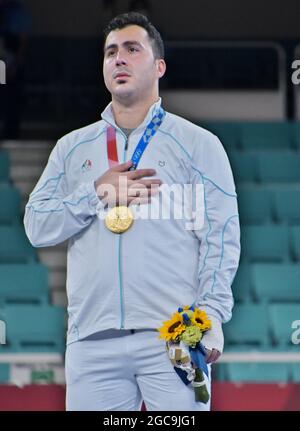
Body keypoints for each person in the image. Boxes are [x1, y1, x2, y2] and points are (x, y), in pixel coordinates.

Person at [24, 12, 240, 411]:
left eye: (131, 49)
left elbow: (220, 235)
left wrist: (211, 317)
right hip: (91, 340)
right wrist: (96, 193)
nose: (118, 59)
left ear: (159, 66)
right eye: (110, 52)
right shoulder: (71, 149)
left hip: (176, 334)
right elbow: (37, 225)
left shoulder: (198, 145)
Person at [0, 0, 31, 139]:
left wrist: (15, 63)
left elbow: (23, 40)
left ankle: (11, 133)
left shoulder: (18, 12)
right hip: (2, 62)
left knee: (11, 96)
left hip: (13, 64)